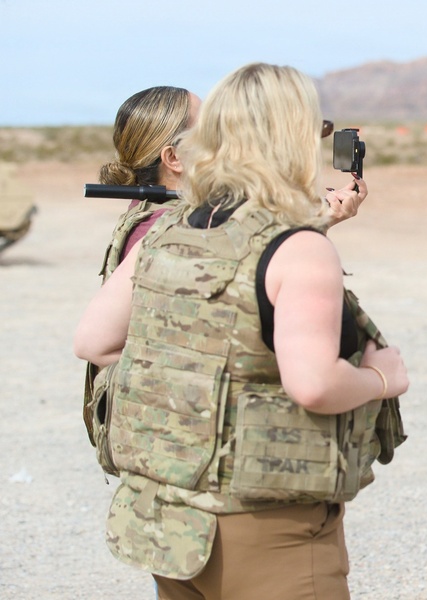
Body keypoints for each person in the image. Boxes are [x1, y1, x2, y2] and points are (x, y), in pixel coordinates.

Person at [74, 62, 409, 599]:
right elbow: (315, 385)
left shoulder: (172, 227)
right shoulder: (298, 249)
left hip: (176, 525)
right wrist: (380, 378)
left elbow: (93, 342)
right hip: (269, 524)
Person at [84, 86, 366, 477]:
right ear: (174, 158)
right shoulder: (171, 228)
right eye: (211, 128)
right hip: (190, 442)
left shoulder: (165, 216)